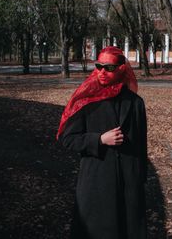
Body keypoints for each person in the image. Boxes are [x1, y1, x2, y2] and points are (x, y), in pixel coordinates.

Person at [57, 46, 148, 239]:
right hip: (97, 181)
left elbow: (141, 145)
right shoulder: (86, 100)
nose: (102, 72)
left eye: (109, 67)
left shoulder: (136, 103)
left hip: (128, 183)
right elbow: (67, 138)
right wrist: (99, 139)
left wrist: (140, 178)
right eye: (99, 66)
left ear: (121, 68)